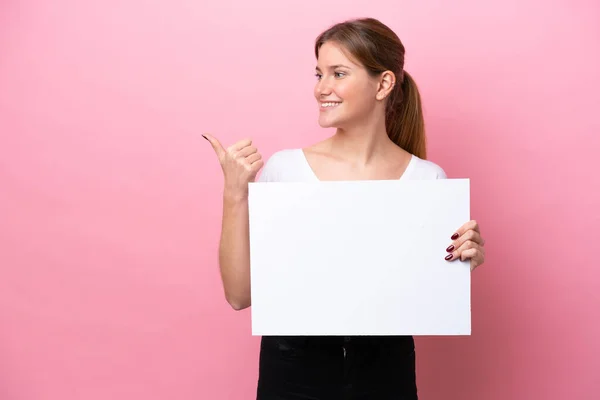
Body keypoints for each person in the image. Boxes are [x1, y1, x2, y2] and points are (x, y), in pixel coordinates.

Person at [204, 17, 486, 400]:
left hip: (387, 374)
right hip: (292, 373)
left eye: (338, 73)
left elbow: (424, 291)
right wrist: (235, 193)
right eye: (318, 74)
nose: (322, 89)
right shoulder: (285, 170)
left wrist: (462, 260)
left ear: (383, 84)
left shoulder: (427, 181)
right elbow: (240, 295)